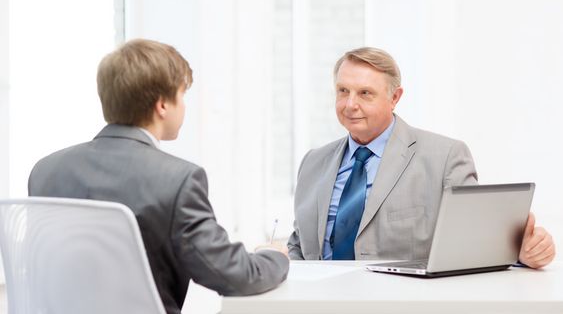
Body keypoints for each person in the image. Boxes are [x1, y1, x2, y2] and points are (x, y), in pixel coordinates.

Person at [28, 39, 289, 314]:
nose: (184, 106)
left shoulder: (45, 171)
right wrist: (273, 256)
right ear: (162, 105)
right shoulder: (178, 180)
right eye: (182, 95)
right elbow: (235, 276)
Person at [287, 47, 555, 268]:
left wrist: (522, 253)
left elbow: (475, 245)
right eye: (343, 91)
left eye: (365, 93)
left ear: (394, 97)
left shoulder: (444, 158)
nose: (349, 104)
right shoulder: (313, 163)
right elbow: (300, 245)